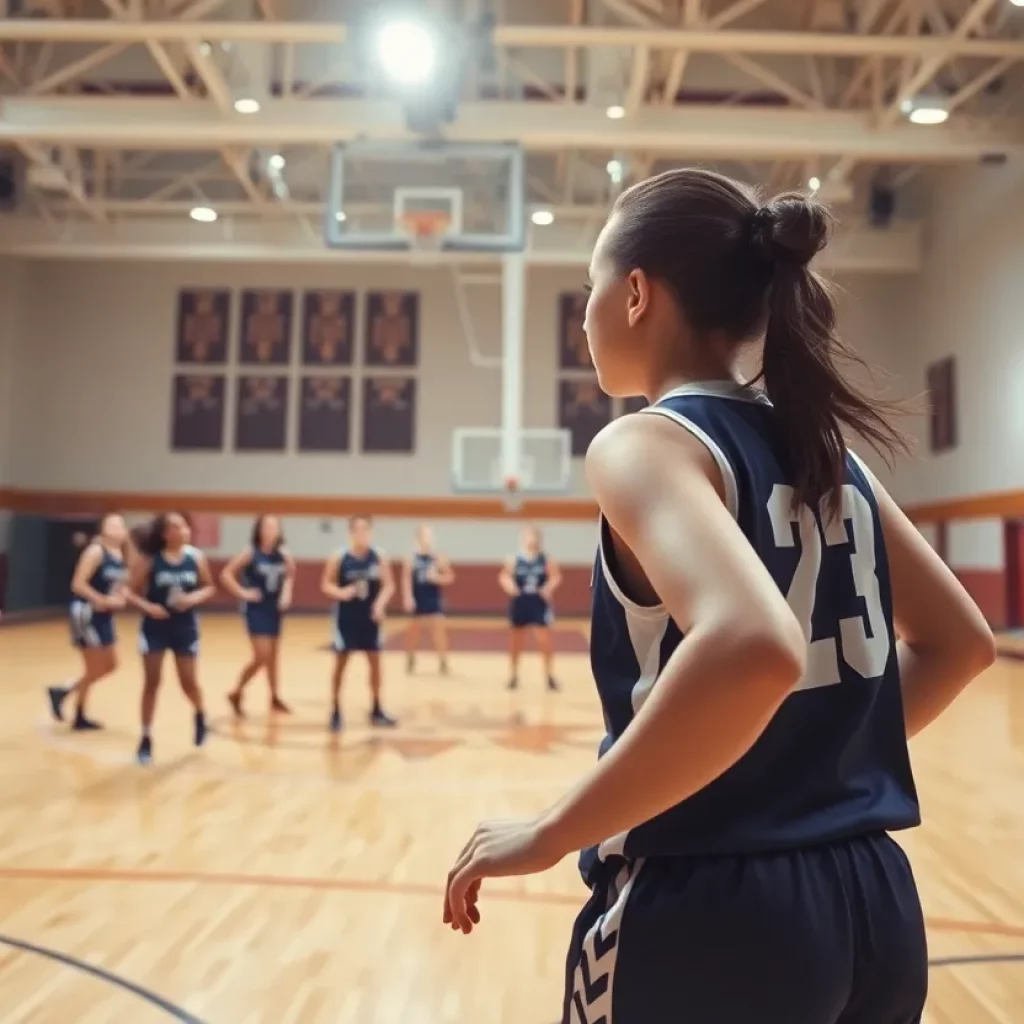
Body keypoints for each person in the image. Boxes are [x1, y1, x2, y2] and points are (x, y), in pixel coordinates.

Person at [442, 169, 996, 1024]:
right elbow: (963, 644)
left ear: (634, 294)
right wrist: (800, 759)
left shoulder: (646, 443)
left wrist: (552, 831)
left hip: (713, 906)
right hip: (875, 898)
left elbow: (754, 644)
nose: (583, 310)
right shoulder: (825, 449)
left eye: (590, 283)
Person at [130, 511, 216, 765]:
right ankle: (145, 738)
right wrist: (149, 607)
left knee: (188, 682)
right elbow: (130, 592)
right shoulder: (150, 560)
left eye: (185, 526)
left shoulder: (196, 557)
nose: (185, 530)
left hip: (185, 628)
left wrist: (193, 598)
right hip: (155, 628)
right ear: (166, 534)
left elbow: (209, 586)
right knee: (152, 683)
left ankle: (200, 714)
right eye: (178, 526)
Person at [47, 512, 130, 730]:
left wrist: (121, 598)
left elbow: (119, 585)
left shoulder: (120, 554)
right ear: (102, 530)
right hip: (86, 612)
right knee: (94, 665)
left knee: (110, 665)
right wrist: (101, 599)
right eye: (112, 525)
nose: (117, 529)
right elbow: (78, 584)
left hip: (104, 614)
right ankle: (79, 714)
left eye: (120, 525)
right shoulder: (95, 551)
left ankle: (64, 691)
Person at [320, 515, 397, 731]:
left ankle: (376, 708)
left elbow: (389, 585)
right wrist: (341, 592)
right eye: (358, 530)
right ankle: (335, 709)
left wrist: (380, 604)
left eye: (366, 530)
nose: (362, 534)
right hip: (346, 618)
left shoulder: (379, 557)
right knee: (341, 664)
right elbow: (326, 584)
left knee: (375, 664)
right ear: (351, 533)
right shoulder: (339, 557)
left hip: (370, 619)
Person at [221, 514, 296, 717]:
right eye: (267, 527)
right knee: (261, 656)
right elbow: (226, 574)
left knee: (273, 657)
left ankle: (274, 697)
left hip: (274, 609)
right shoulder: (250, 552)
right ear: (259, 530)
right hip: (255, 609)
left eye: (274, 527)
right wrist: (242, 592)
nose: (271, 531)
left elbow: (290, 575)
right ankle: (236, 692)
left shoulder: (283, 554)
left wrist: (286, 594)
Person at [498, 526, 562, 691]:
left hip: (539, 603)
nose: (530, 540)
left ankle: (549, 676)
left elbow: (556, 577)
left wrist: (548, 587)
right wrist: (509, 586)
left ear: (538, 539)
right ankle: (513, 675)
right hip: (520, 602)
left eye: (533, 536)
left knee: (544, 640)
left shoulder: (546, 559)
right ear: (523, 539)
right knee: (516, 641)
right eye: (527, 536)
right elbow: (504, 576)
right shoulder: (514, 559)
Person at [402, 524, 455, 675]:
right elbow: (406, 579)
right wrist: (408, 597)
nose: (429, 539)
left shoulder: (438, 557)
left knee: (439, 631)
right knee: (414, 632)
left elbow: (450, 577)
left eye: (431, 536)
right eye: (426, 536)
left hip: (433, 598)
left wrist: (437, 578)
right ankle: (411, 657)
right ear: (418, 538)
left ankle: (443, 661)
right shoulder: (411, 557)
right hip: (417, 597)